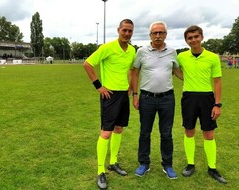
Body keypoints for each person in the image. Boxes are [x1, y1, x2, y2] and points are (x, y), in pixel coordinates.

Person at [83, 19, 136, 190]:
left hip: (123, 95)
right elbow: (88, 64)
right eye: (124, 30)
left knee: (119, 129)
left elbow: (130, 69)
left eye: (130, 31)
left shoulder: (132, 50)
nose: (127, 33)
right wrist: (99, 86)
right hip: (110, 94)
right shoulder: (107, 47)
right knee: (106, 133)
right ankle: (100, 170)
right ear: (119, 30)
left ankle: (113, 162)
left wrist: (130, 85)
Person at [131, 21, 182, 179]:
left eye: (161, 33)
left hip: (167, 98)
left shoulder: (172, 52)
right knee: (144, 132)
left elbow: (178, 72)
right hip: (147, 98)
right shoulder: (141, 52)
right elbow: (134, 73)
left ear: (166, 34)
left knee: (166, 133)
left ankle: (167, 165)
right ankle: (144, 163)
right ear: (150, 35)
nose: (158, 36)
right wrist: (134, 94)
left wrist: (197, 81)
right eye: (155, 33)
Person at [177, 25, 227, 184]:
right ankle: (190, 164)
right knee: (189, 131)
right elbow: (174, 70)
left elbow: (217, 81)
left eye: (196, 37)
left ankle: (212, 168)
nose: (193, 40)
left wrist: (217, 104)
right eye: (189, 38)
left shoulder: (212, 57)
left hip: (207, 98)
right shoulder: (181, 57)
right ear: (186, 40)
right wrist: (186, 79)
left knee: (209, 134)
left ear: (201, 37)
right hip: (189, 97)